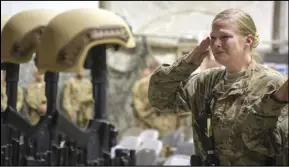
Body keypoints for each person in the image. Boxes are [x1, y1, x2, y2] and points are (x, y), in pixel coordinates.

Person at [148, 8, 288, 165]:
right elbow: (161, 100)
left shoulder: (274, 85)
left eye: (224, 37)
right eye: (213, 38)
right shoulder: (206, 82)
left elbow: (281, 146)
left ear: (248, 40)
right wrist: (187, 63)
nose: (216, 44)